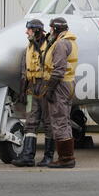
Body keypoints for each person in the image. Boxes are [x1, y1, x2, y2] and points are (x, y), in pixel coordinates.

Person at [11, 19, 55, 167]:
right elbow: (24, 72)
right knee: (30, 123)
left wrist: (51, 89)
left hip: (45, 87)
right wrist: (22, 92)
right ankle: (28, 157)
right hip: (31, 88)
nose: (26, 32)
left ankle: (48, 156)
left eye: (29, 29)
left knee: (49, 123)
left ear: (36, 30)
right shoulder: (27, 49)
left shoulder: (50, 47)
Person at [43, 17, 78, 168]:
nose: (50, 32)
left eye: (51, 29)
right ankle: (67, 156)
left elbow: (58, 70)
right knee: (65, 120)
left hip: (60, 85)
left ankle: (65, 159)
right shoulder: (71, 41)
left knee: (59, 121)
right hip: (69, 83)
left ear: (56, 29)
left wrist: (50, 89)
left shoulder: (60, 44)